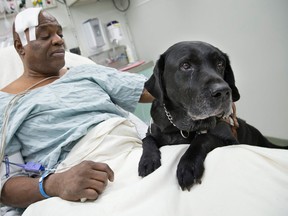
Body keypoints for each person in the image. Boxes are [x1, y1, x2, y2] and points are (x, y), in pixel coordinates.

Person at [0, 8, 153, 215]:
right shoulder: (7, 105)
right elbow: (6, 187)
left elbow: (152, 91)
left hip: (138, 154)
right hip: (78, 180)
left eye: (60, 34)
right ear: (20, 47)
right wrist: (54, 184)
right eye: (45, 35)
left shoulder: (86, 73)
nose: (58, 40)